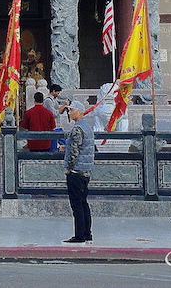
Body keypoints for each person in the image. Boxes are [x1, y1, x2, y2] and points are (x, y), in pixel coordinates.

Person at [63, 100, 95, 244]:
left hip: (76, 171)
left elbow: (74, 152)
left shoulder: (77, 129)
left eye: (72, 110)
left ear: (80, 112)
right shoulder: (87, 127)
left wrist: (69, 167)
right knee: (83, 203)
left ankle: (80, 235)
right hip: (86, 170)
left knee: (77, 204)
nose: (70, 113)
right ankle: (87, 233)